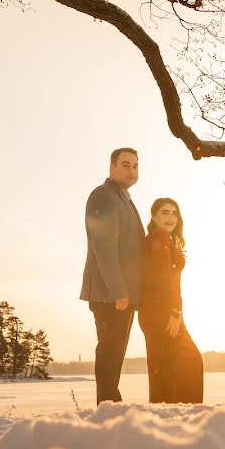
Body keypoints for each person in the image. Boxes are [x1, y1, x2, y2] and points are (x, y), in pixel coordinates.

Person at [80, 147, 145, 404]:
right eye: (126, 165)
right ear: (112, 167)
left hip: (122, 293)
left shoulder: (123, 198)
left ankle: (111, 408)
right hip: (110, 294)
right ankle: (107, 410)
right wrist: (118, 290)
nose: (131, 170)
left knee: (115, 354)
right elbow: (103, 246)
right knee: (109, 353)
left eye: (135, 166)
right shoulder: (104, 196)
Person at [138, 198, 203, 403]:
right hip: (162, 312)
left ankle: (167, 415)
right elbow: (162, 277)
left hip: (158, 310)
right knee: (186, 361)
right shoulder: (159, 239)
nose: (171, 217)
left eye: (174, 213)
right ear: (154, 216)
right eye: (165, 212)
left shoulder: (161, 239)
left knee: (165, 367)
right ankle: (178, 415)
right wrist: (175, 310)